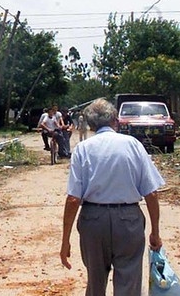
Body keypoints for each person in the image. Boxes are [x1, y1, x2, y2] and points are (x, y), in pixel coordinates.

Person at [60, 98, 164, 296]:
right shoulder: (133, 145)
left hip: (93, 221)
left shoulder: (83, 149)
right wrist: (155, 232)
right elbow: (151, 192)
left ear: (90, 125)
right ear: (116, 120)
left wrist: (65, 240)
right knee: (129, 282)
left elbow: (73, 199)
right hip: (128, 221)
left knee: (95, 282)